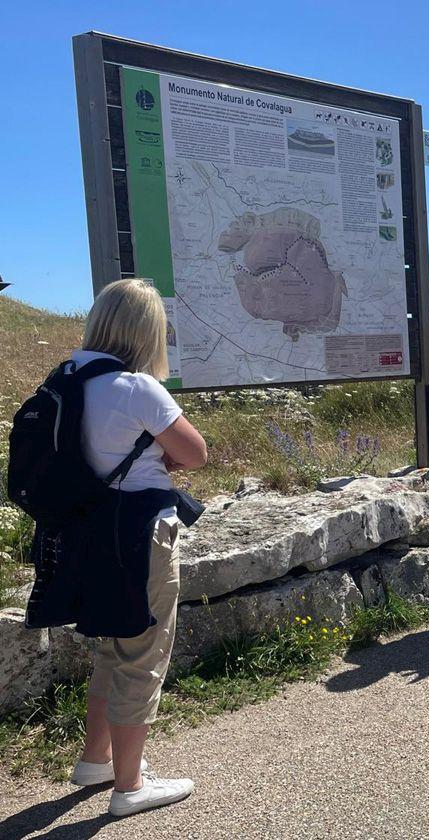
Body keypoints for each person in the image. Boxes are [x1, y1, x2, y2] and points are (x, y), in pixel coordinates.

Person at [68, 279, 208, 817]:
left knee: (112, 644)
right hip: (143, 534)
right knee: (144, 655)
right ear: (148, 331)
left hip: (93, 531)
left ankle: (96, 760)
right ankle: (128, 788)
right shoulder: (137, 387)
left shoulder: (70, 378)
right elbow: (194, 454)